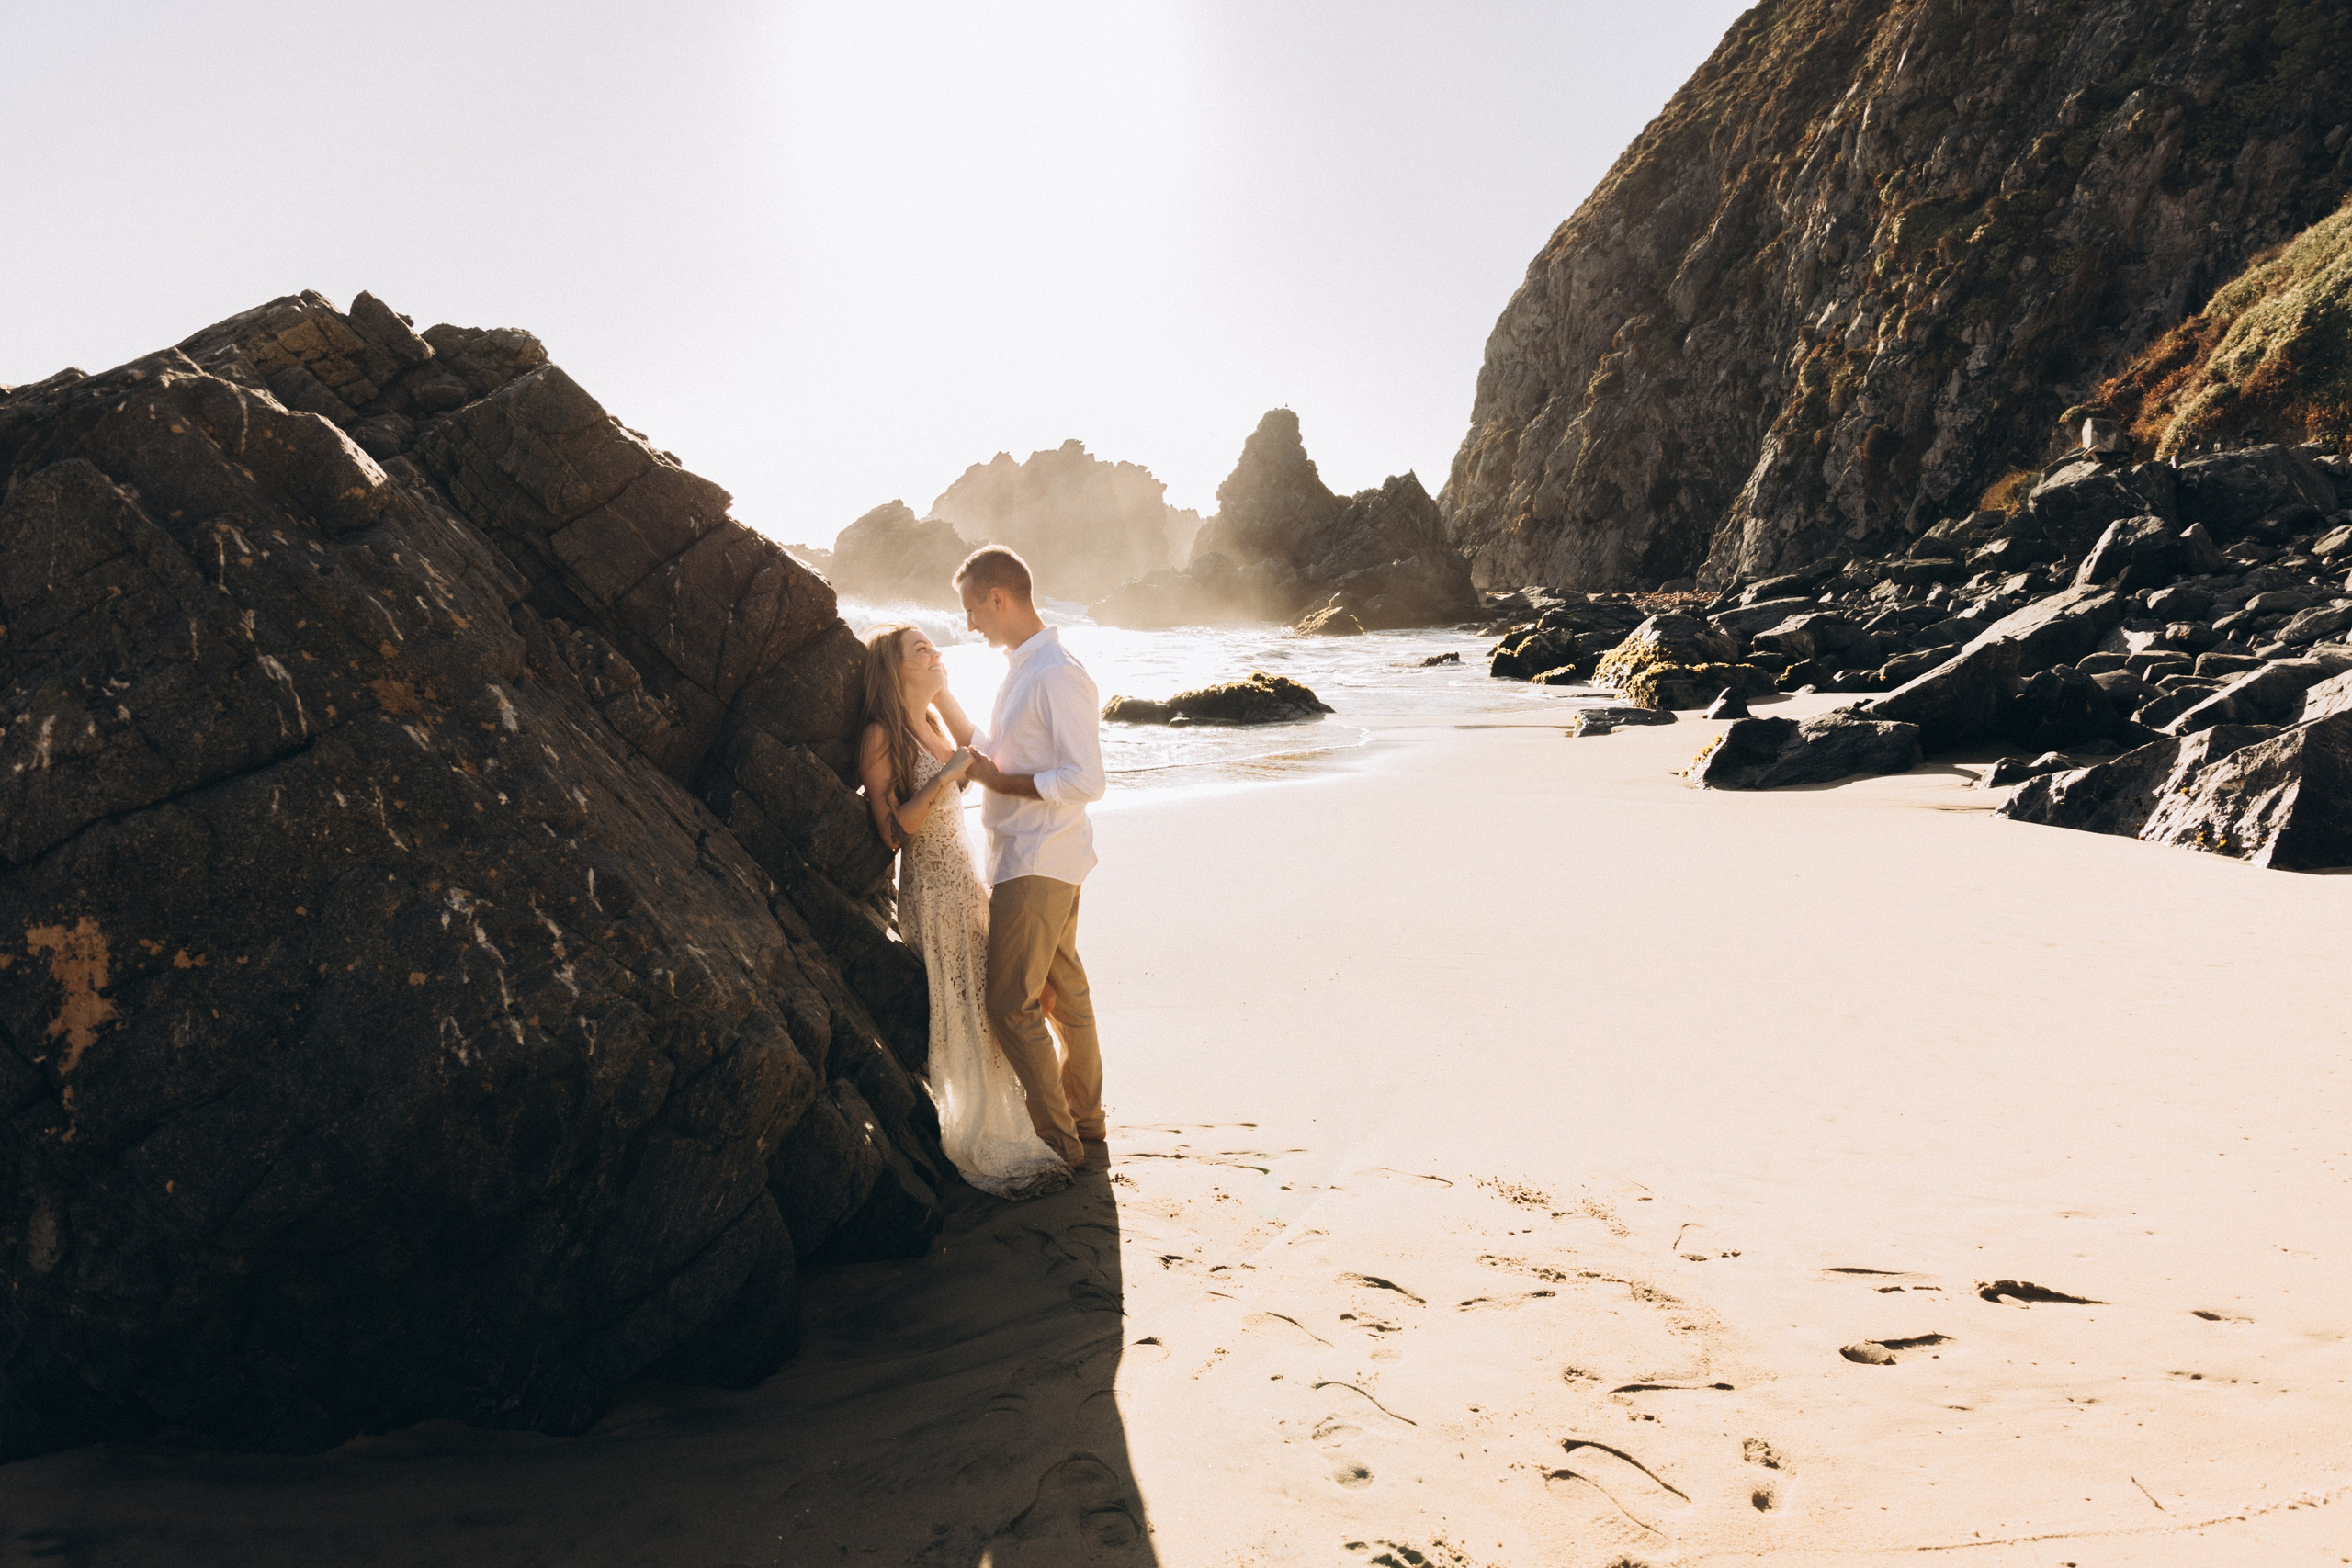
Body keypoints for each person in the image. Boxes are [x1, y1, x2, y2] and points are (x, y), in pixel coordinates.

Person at [857, 622, 1072, 1201]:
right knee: (964, 1008)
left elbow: (986, 754)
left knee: (988, 1002)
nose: (936, 652)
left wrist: (941, 699)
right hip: (930, 888)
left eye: (934, 644)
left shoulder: (926, 723)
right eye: (920, 649)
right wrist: (950, 773)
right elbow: (893, 832)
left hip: (966, 877)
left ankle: (1023, 1118)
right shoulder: (880, 736)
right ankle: (977, 1129)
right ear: (894, 669)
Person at [940, 546, 1108, 1170]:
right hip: (1042, 857)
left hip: (1039, 860)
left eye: (971, 610)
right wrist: (941, 699)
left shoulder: (1056, 673)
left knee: (1011, 1004)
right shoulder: (1024, 669)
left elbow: (1086, 778)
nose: (969, 624)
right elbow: (997, 757)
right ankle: (1085, 1121)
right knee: (1065, 992)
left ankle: (1061, 1143)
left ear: (998, 598)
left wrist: (1004, 785)